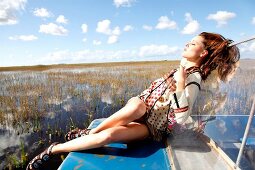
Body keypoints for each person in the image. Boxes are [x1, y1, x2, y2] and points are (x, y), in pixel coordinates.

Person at [26, 32, 240, 170]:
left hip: (153, 127)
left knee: (108, 135)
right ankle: (87, 134)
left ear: (202, 52)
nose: (186, 43)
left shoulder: (193, 78)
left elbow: (182, 117)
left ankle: (54, 149)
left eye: (192, 43)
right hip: (141, 106)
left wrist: (181, 83)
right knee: (137, 106)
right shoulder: (185, 66)